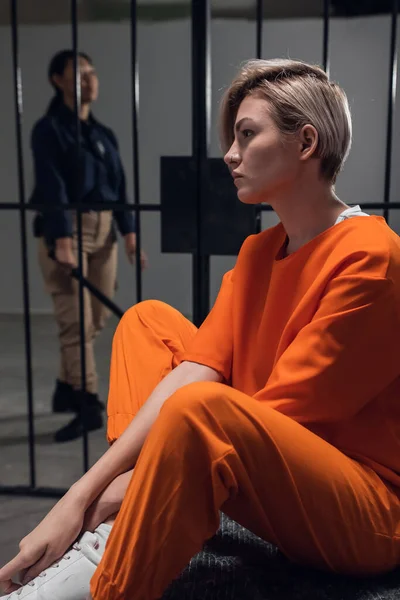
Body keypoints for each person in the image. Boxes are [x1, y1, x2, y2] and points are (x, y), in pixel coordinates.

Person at [2, 58, 400, 600]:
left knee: (201, 413)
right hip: (268, 446)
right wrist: (79, 495)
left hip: (359, 507)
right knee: (148, 322)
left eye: (246, 134)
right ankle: (127, 515)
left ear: (306, 142)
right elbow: (197, 367)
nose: (229, 155)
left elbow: (284, 419)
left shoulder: (373, 257)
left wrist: (103, 503)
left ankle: (112, 563)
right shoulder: (259, 250)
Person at [29, 50, 147, 443]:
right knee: (75, 322)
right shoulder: (49, 130)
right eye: (79, 74)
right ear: (57, 80)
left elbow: (119, 186)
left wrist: (130, 233)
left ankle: (67, 384)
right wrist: (61, 239)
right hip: (70, 230)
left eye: (92, 73)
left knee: (95, 318)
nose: (89, 80)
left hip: (105, 230)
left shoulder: (102, 134)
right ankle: (88, 403)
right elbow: (52, 186)